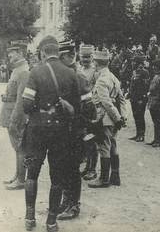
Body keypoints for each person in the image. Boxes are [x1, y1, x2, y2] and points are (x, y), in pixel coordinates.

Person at [22, 36, 80, 232]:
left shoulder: (35, 72)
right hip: (61, 132)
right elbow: (78, 108)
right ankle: (51, 221)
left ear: (44, 53)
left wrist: (40, 111)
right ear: (57, 52)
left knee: (32, 173)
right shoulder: (71, 74)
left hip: (37, 130)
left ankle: (30, 218)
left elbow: (26, 104)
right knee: (57, 177)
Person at [56, 41, 96, 220]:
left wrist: (80, 124)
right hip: (62, 130)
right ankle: (66, 201)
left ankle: (74, 205)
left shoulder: (79, 77)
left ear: (67, 57)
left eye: (59, 57)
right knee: (63, 167)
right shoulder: (61, 74)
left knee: (72, 168)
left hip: (74, 130)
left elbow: (90, 108)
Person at [88, 49, 127, 188]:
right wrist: (122, 117)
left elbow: (106, 102)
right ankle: (115, 176)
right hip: (114, 118)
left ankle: (104, 179)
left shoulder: (101, 80)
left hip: (105, 118)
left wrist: (117, 118)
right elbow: (121, 99)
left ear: (97, 64)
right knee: (113, 146)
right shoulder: (113, 77)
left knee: (104, 147)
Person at [0, 41, 29, 190]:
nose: (9, 54)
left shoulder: (23, 71)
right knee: (16, 147)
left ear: (21, 53)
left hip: (15, 115)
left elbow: (21, 99)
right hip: (10, 111)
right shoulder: (17, 70)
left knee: (20, 147)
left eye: (13, 51)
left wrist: (14, 119)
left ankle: (21, 180)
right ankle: (17, 176)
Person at [77, 44, 99, 181]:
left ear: (92, 57)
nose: (85, 60)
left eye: (88, 57)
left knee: (91, 140)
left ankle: (92, 169)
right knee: (83, 140)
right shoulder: (78, 70)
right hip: (80, 108)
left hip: (90, 107)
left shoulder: (95, 72)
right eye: (83, 57)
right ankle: (87, 167)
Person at [127, 55, 150, 142]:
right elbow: (132, 85)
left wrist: (142, 98)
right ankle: (137, 134)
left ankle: (141, 135)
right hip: (134, 98)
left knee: (140, 116)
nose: (132, 62)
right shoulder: (134, 72)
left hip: (140, 99)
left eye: (134, 61)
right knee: (136, 115)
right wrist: (129, 93)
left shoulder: (144, 72)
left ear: (138, 63)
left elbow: (146, 86)